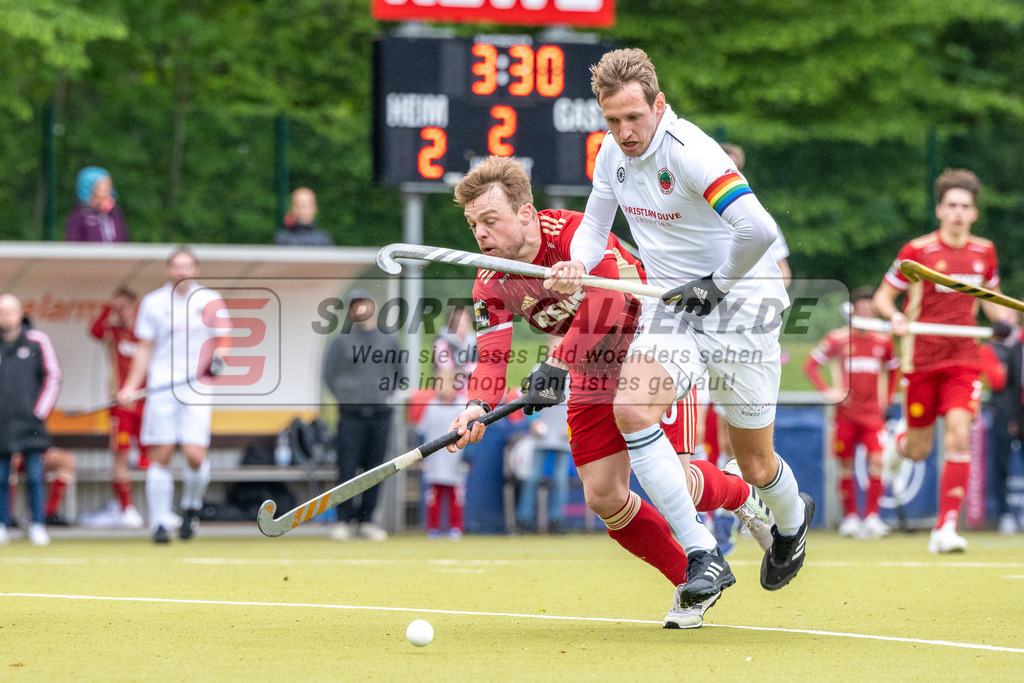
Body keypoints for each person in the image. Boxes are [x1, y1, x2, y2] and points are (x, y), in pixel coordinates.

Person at [448, 156, 774, 629]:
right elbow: (492, 357)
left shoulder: (573, 234)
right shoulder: (490, 280)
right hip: (590, 365)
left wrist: (557, 363)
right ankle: (691, 579)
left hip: (655, 344)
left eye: (490, 220)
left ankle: (741, 494)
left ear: (526, 214)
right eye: (473, 224)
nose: (480, 234)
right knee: (603, 494)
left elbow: (612, 298)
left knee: (677, 485)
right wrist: (476, 408)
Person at [546, 48, 814, 602]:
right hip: (673, 310)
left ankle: (792, 522)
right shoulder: (609, 155)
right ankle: (702, 554)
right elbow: (595, 230)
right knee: (631, 410)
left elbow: (757, 231)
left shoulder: (692, 152)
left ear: (658, 104)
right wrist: (577, 262)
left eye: (633, 118)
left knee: (756, 461)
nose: (623, 132)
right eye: (612, 120)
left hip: (743, 309)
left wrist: (715, 284)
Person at [873, 168, 1011, 553]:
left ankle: (945, 528)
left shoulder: (984, 251)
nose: (958, 213)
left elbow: (993, 301)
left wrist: (1004, 323)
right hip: (921, 359)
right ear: (939, 210)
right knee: (919, 449)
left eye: (965, 206)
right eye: (951, 205)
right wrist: (895, 317)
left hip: (964, 358)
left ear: (974, 213)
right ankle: (898, 443)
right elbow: (886, 298)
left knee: (958, 431)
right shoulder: (917, 252)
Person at [117, 248, 230, 543]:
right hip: (162, 386)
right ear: (169, 270)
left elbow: (223, 339)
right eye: (176, 267)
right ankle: (159, 523)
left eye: (187, 266)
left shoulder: (209, 300)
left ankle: (191, 507)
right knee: (162, 454)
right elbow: (144, 348)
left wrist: (219, 358)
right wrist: (130, 385)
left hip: (197, 385)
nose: (182, 271)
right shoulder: (154, 303)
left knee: (194, 455)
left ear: (195, 269)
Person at [804, 287, 899, 538]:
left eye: (870, 309)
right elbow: (811, 366)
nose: (866, 314)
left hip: (873, 415)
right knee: (846, 465)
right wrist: (829, 392)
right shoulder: (838, 339)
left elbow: (894, 371)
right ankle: (850, 519)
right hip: (845, 414)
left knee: (879, 461)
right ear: (853, 311)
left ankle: (872, 517)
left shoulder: (883, 341)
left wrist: (887, 400)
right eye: (862, 309)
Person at [322, 290, 402, 541]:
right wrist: (347, 398)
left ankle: (367, 520)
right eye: (354, 306)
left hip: (380, 415)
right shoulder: (341, 340)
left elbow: (399, 373)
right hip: (350, 415)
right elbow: (329, 375)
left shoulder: (389, 340)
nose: (359, 310)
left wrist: (383, 395)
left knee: (375, 468)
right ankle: (344, 520)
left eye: (363, 304)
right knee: (346, 467)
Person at [0, 294, 62, 545]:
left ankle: (37, 523)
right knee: (2, 477)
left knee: (35, 475)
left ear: (20, 313)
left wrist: (39, 411)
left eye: (10, 311)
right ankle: (3, 524)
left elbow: (53, 376)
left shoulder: (37, 341)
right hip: (2, 424)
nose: (6, 316)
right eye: (2, 312)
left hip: (31, 423)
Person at [89, 287, 147, 528]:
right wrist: (108, 310)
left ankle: (159, 509)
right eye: (118, 307)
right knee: (120, 457)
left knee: (151, 458)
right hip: (120, 405)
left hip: (147, 403)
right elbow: (94, 330)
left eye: (126, 306)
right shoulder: (113, 332)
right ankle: (126, 508)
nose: (122, 312)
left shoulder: (146, 334)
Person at [516, 339, 572, 534]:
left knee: (560, 479)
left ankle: (556, 521)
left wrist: (570, 427)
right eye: (553, 346)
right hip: (541, 435)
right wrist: (534, 421)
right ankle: (523, 521)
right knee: (532, 477)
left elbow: (577, 404)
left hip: (563, 435)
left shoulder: (572, 375)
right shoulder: (537, 370)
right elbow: (525, 399)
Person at [720, 143, 792, 288]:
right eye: (722, 170)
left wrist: (765, 301)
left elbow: (784, 273)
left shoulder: (759, 217)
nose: (727, 176)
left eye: (734, 170)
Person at [417, 369, 470, 540]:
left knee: (456, 496)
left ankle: (456, 527)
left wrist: (468, 458)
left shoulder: (463, 406)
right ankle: (433, 527)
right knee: (434, 496)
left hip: (455, 459)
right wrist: (422, 457)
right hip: (435, 460)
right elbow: (422, 432)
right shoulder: (431, 407)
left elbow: (470, 432)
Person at [982, 319, 1023, 534]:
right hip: (1008, 415)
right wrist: (1012, 417)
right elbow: (1005, 385)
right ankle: (1004, 515)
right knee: (1001, 465)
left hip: (1016, 413)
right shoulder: (1011, 349)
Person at [7, 448, 76, 527]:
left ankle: (49, 513)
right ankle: (6, 514)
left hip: (35, 451)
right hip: (12, 450)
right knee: (11, 461)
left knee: (65, 459)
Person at [65, 167, 129, 242]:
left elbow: (125, 241)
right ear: (91, 190)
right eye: (104, 188)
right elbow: (73, 244)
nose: (109, 191)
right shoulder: (79, 216)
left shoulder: (115, 214)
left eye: (109, 186)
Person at [432, 305, 478, 377]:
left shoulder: (476, 342)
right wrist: (467, 370)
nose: (462, 324)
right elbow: (446, 370)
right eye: (457, 321)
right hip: (452, 385)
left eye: (465, 320)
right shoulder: (442, 343)